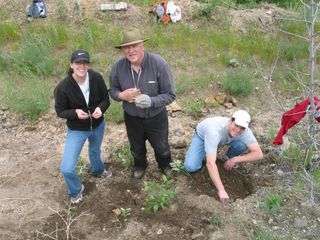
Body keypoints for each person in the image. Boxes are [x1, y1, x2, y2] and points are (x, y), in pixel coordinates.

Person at [109, 29, 176, 179]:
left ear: (142, 46)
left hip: (156, 117)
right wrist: (121, 95)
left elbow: (170, 95)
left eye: (135, 46)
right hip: (132, 117)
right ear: (122, 50)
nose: (131, 50)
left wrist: (152, 101)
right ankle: (140, 165)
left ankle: (165, 165)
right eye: (127, 47)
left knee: (161, 146)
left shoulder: (159, 64)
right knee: (136, 147)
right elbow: (112, 90)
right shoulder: (118, 67)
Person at [54, 50, 112, 204]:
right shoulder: (63, 87)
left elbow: (105, 99)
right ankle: (76, 190)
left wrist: (101, 109)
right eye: (78, 63)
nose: (82, 66)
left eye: (85, 63)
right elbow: (60, 111)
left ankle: (98, 171)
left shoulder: (96, 78)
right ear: (71, 65)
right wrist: (74, 113)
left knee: (95, 150)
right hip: (77, 130)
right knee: (67, 168)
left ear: (88, 65)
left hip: (98, 125)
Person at [184, 110, 263, 202]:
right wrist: (221, 190)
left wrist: (235, 159)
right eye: (236, 125)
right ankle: (205, 153)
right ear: (230, 121)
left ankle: (228, 157)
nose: (238, 130)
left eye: (242, 128)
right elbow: (210, 163)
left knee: (241, 145)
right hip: (202, 137)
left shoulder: (245, 132)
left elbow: (259, 154)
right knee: (190, 166)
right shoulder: (214, 130)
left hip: (223, 139)